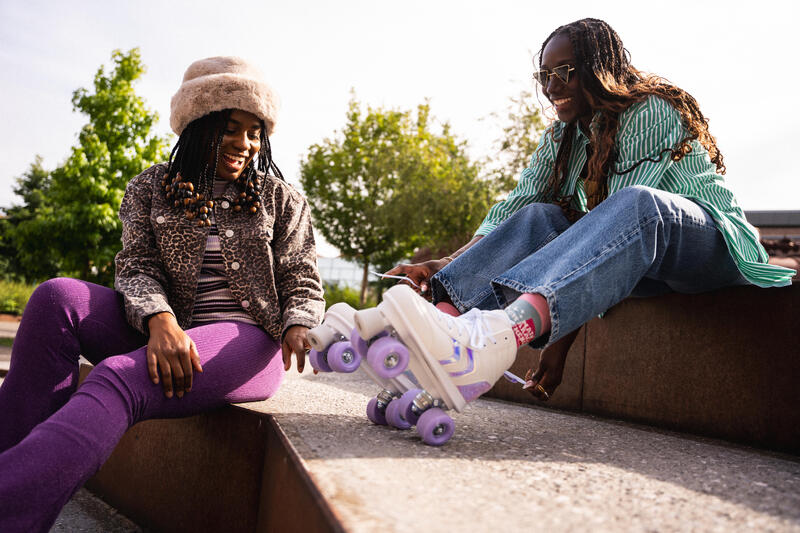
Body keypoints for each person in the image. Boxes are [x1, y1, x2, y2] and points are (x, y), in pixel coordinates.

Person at [383, 18, 796, 404]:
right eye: (544, 75)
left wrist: (561, 338)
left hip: (710, 247)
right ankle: (437, 331)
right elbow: (519, 203)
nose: (551, 85)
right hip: (646, 265)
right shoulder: (565, 132)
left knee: (638, 201)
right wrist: (448, 263)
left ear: (599, 69)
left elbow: (619, 224)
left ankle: (501, 337)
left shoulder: (650, 111)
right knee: (538, 217)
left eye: (565, 71)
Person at [0, 56, 324, 531]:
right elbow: (137, 266)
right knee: (56, 298)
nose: (245, 144)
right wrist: (161, 320)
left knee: (118, 376)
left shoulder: (282, 199)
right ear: (198, 123)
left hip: (247, 341)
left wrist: (299, 320)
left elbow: (301, 274)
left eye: (256, 132)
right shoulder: (150, 188)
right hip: (166, 325)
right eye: (231, 128)